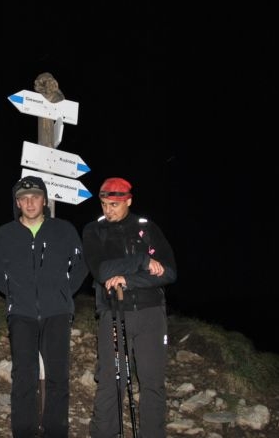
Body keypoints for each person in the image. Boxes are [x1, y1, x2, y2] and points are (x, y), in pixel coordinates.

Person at [0, 175, 89, 438]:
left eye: (35, 197)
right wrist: (15, 295)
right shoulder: (5, 233)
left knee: (58, 376)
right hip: (21, 313)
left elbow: (81, 265)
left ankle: (55, 431)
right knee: (24, 375)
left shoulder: (63, 230)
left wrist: (63, 292)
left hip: (57, 311)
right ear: (17, 203)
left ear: (44, 200)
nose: (30, 202)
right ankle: (24, 431)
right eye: (24, 198)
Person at [82, 177, 177, 438]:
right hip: (113, 312)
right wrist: (143, 261)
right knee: (111, 379)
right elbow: (102, 271)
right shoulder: (94, 230)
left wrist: (128, 279)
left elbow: (169, 272)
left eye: (114, 204)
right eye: (104, 204)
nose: (108, 210)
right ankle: (104, 433)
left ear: (129, 201)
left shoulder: (147, 228)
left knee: (152, 381)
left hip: (151, 313)